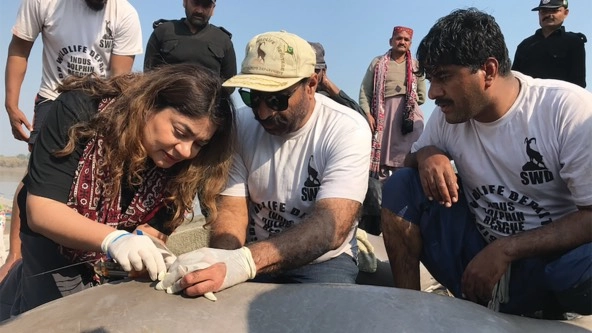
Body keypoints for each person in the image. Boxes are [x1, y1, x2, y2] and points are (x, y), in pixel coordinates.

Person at [380, 8, 591, 319]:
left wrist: (507, 249)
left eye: (444, 77)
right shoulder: (447, 116)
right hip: (477, 268)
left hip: (547, 271)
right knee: (401, 185)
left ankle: (547, 311)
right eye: (429, 78)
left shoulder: (567, 111)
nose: (433, 92)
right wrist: (428, 155)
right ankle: (409, 315)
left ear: (489, 71)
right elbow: (411, 160)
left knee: (577, 267)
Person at [0, 64, 236, 319]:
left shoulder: (186, 167)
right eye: (180, 132)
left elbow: (153, 229)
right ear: (149, 104)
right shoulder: (79, 110)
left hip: (106, 260)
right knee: (55, 317)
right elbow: (41, 209)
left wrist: (155, 252)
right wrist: (115, 240)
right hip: (51, 241)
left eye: (199, 143)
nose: (186, 151)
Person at [157, 31, 372, 298]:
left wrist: (245, 262)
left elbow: (331, 226)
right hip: (251, 254)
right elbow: (232, 211)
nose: (263, 112)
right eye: (254, 97)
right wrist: (222, 260)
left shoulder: (347, 129)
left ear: (312, 84)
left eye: (277, 99)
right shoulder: (241, 126)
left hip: (322, 262)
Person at [1, 0, 143, 283]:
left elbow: (119, 80)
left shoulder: (124, 14)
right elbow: (19, 49)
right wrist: (10, 101)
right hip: (52, 98)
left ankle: (90, 251)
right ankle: (15, 254)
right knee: (36, 174)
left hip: (97, 104)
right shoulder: (43, 3)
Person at [359, 26, 426, 182]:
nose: (402, 42)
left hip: (407, 118)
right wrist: (367, 113)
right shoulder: (378, 63)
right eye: (398, 38)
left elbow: (422, 96)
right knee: (382, 159)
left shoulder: (416, 66)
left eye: (406, 39)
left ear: (410, 43)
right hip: (383, 118)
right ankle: (380, 199)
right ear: (391, 41)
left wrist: (406, 101)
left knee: (406, 159)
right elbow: (364, 91)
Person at [144, 0, 236, 93]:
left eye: (206, 5)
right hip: (165, 103)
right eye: (195, 2)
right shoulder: (163, 32)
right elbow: (148, 76)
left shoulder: (223, 41)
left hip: (208, 105)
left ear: (213, 9)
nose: (199, 10)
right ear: (185, 2)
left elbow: (229, 86)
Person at [512, 0, 587, 88]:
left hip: (561, 99)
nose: (548, 15)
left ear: (566, 13)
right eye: (544, 11)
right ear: (539, 14)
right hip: (530, 100)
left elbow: (578, 83)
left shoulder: (574, 42)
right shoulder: (524, 45)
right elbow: (515, 80)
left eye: (554, 10)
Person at [308, 41, 367, 122]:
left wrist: (327, 84)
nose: (312, 74)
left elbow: (361, 118)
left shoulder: (329, 97)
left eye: (316, 70)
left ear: (324, 71)